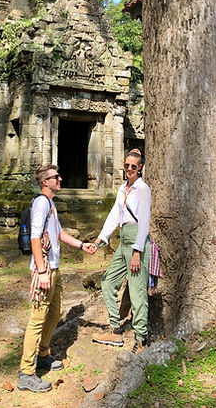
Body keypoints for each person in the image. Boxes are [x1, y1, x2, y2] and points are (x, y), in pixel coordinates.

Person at [17, 164, 95, 393]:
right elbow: (34, 237)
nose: (60, 179)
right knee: (37, 319)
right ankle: (26, 372)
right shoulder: (41, 202)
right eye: (55, 177)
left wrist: (81, 245)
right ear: (45, 182)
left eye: (59, 175)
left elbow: (58, 233)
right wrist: (41, 271)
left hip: (54, 269)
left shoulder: (50, 203)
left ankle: (42, 354)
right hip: (44, 270)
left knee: (55, 312)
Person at [91, 149, 151, 354]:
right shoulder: (123, 189)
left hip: (137, 242)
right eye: (127, 166)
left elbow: (144, 222)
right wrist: (101, 239)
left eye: (134, 166)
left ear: (140, 167)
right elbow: (114, 215)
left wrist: (137, 252)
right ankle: (115, 329)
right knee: (108, 281)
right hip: (123, 239)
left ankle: (141, 338)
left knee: (137, 291)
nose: (130, 169)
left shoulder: (143, 189)